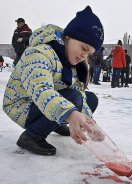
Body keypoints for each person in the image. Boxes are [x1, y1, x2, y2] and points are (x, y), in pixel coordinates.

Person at [2, 6, 104, 155]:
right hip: (22, 105)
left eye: (89, 53)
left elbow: (79, 94)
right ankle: (31, 136)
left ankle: (54, 123)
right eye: (83, 47)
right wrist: (70, 114)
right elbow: (42, 90)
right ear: (68, 37)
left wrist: (90, 126)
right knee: (73, 99)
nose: (84, 56)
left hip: (42, 106)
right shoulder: (39, 53)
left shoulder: (71, 63)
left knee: (90, 99)